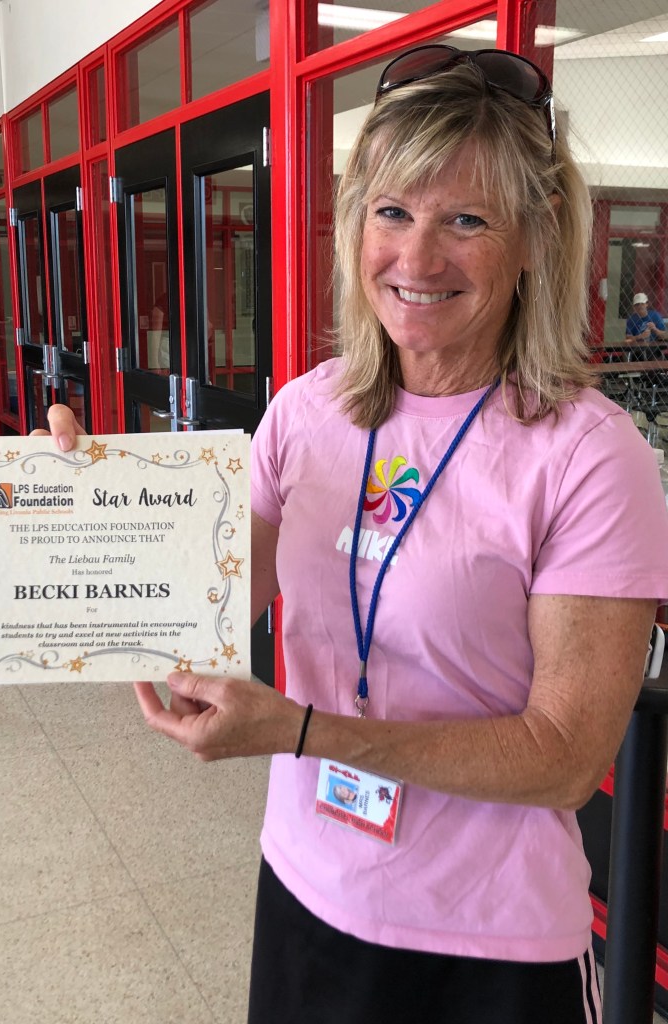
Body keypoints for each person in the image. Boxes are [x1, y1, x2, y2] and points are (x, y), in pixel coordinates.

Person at [38, 46, 668, 1024]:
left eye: (467, 220)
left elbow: (563, 755)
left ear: (537, 237)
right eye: (392, 211)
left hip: (490, 944)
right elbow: (200, 605)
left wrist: (304, 733)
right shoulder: (305, 412)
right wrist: (85, 505)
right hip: (308, 888)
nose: (417, 259)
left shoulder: (589, 454)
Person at [625, 291, 666, 360]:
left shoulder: (655, 316)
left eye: (642, 304)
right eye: (637, 304)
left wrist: (655, 330)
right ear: (634, 307)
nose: (640, 306)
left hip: (654, 349)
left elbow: (665, 335)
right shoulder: (631, 320)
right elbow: (627, 338)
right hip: (637, 350)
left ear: (647, 304)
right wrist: (640, 336)